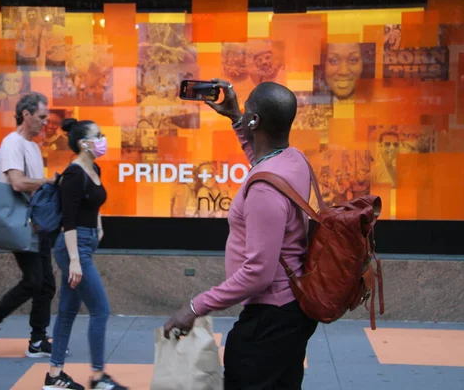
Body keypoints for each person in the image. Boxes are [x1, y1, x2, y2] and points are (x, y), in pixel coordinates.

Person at [164, 79, 318, 389]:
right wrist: (237, 117)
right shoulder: (292, 160)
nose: (244, 112)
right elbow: (261, 163)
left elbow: (258, 274)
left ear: (256, 121)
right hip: (292, 311)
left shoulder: (264, 189)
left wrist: (195, 307)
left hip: (270, 318)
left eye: (247, 109)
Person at [43, 118, 126, 390]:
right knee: (100, 310)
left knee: (67, 311)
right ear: (83, 143)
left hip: (86, 242)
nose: (103, 139)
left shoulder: (94, 168)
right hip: (72, 247)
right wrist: (75, 261)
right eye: (98, 135)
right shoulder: (74, 174)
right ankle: (98, 377)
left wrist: (98, 227)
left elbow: (94, 204)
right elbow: (69, 220)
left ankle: (54, 376)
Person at [0, 92, 57, 358]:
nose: (46, 123)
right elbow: (18, 183)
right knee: (34, 281)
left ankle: (37, 340)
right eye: (42, 117)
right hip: (20, 221)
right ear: (26, 115)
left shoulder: (32, 145)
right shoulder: (12, 143)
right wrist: (51, 182)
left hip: (36, 222)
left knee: (46, 284)